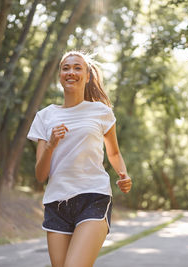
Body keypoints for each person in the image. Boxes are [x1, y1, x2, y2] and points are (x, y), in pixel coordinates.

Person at [27, 51, 132, 267]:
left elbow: (113, 153)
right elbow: (40, 175)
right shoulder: (44, 116)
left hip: (93, 197)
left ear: (87, 75)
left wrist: (124, 174)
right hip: (56, 204)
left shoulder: (101, 112)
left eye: (77, 67)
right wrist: (50, 145)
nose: (71, 72)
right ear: (60, 75)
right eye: (66, 68)